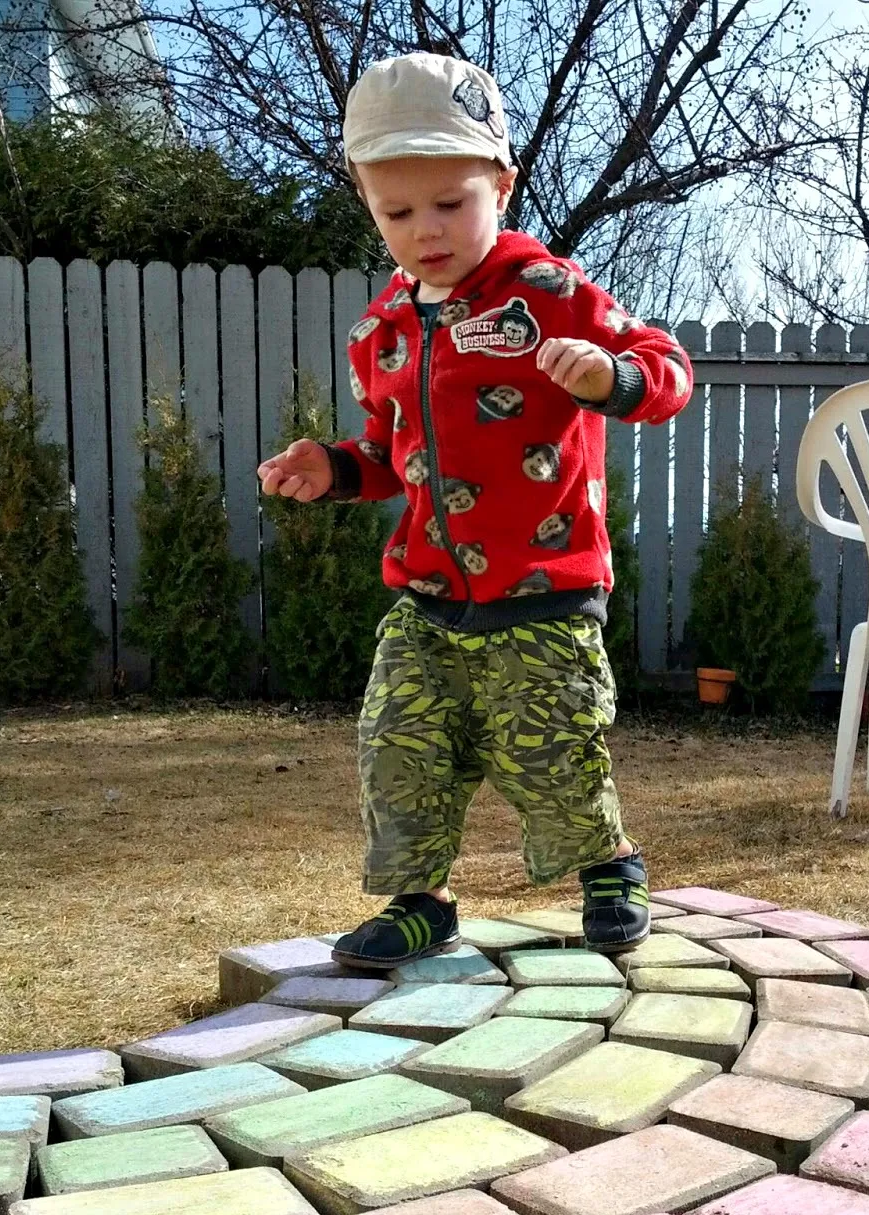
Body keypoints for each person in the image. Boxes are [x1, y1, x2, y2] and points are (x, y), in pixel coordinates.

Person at [257, 51, 693, 967]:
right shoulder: (380, 332)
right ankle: (421, 902)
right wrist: (330, 468)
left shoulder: (549, 294)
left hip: (546, 583)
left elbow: (667, 370)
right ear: (370, 206)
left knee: (550, 746)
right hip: (427, 594)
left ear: (503, 182)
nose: (428, 230)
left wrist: (609, 375)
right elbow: (388, 457)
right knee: (399, 744)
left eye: (451, 203)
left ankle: (609, 866)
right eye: (398, 211)